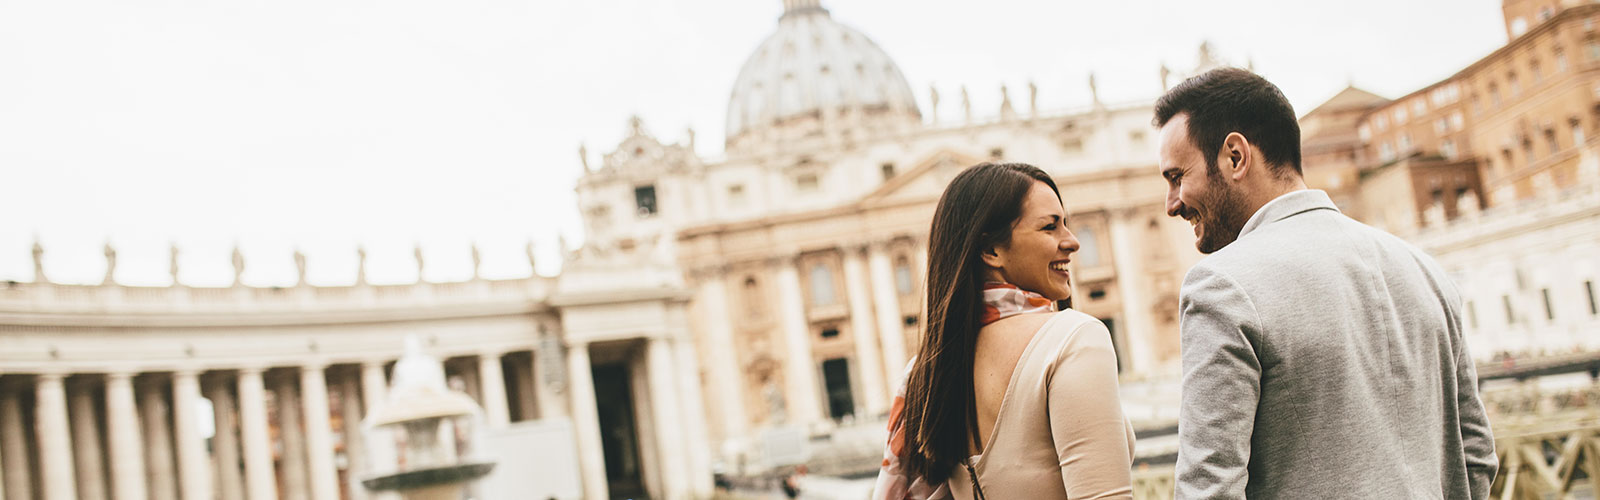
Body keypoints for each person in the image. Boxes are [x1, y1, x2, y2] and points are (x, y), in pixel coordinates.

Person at [1153, 68, 1497, 499]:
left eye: (1176, 177)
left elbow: (1208, 488)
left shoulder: (1221, 285)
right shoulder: (1426, 270)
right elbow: (1477, 454)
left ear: (1235, 157)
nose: (1172, 204)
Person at [873, 162, 1135, 500]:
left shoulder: (923, 374)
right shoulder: (1072, 339)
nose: (1071, 242)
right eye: (1049, 227)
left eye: (1066, 225)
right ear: (990, 250)